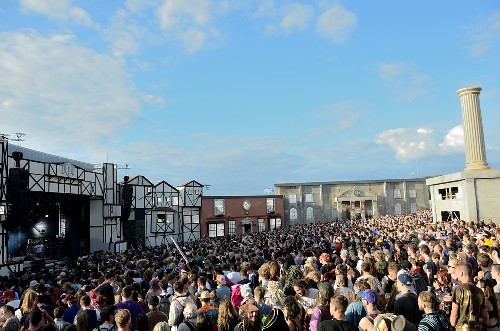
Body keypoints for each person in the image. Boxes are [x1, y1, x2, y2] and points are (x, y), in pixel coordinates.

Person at [450, 263, 489, 331]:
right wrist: (485, 325)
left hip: (461, 328)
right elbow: (485, 315)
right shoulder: (479, 291)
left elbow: (454, 313)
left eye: (456, 272)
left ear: (461, 273)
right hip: (476, 327)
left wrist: (452, 327)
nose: (455, 274)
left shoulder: (458, 289)